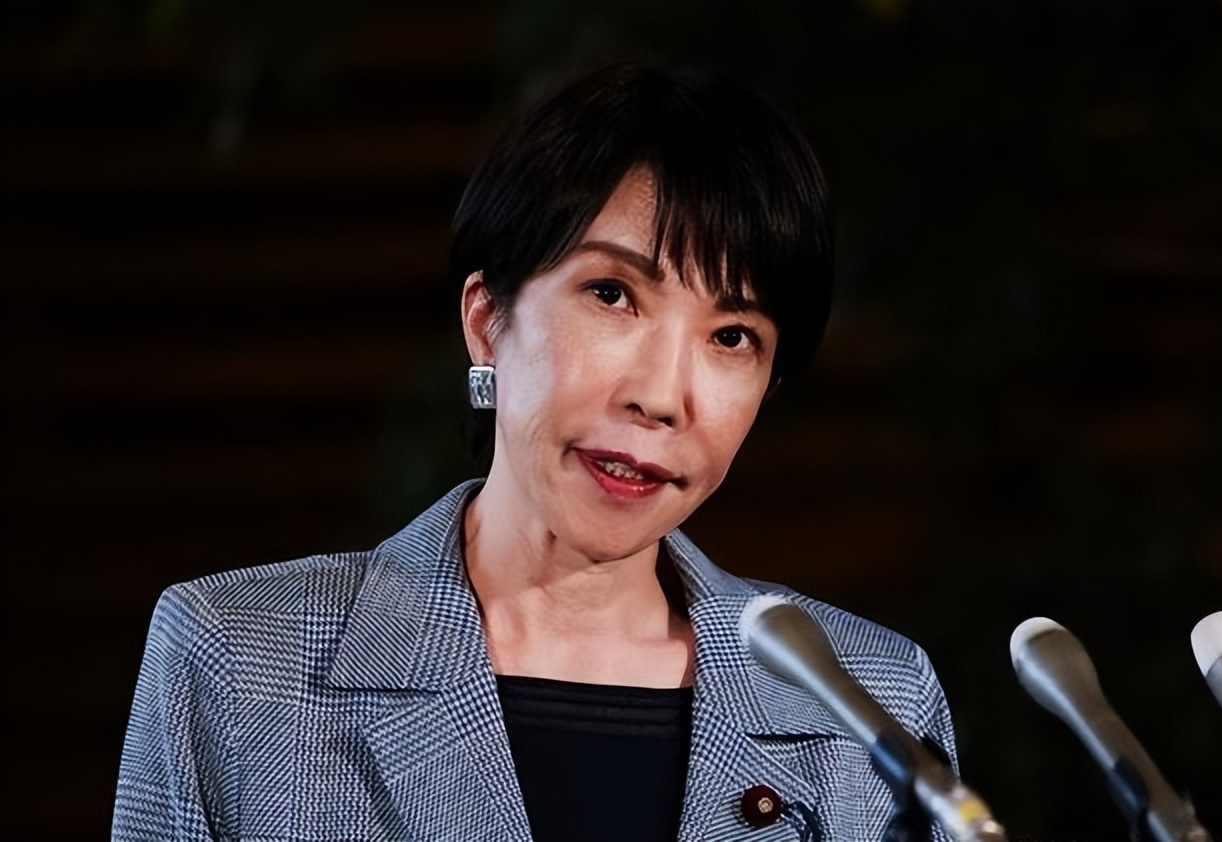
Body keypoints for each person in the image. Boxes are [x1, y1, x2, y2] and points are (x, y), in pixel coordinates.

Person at [113, 64, 957, 842]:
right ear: (489, 322)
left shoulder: (870, 708)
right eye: (612, 294)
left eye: (732, 336)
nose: (663, 395)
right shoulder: (239, 662)